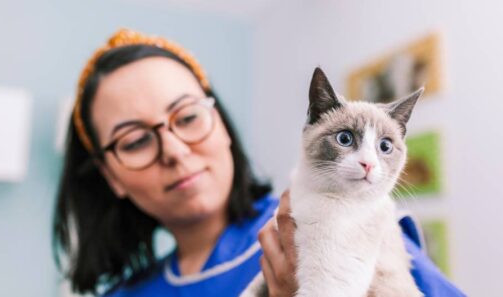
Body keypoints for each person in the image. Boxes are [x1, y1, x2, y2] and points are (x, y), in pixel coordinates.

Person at [52, 28, 466, 297]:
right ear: (111, 176)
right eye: (137, 139)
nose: (175, 151)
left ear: (222, 126)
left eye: (189, 116)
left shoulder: (351, 216)